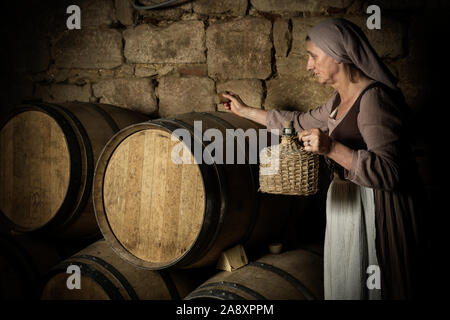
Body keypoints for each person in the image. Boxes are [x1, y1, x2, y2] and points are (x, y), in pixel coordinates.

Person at [221, 18, 426, 300]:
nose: (308, 65)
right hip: (348, 205)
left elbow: (390, 172)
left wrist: (331, 148)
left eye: (313, 56)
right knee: (350, 283)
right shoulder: (338, 101)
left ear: (338, 55)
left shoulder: (374, 99)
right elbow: (296, 122)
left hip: (377, 210)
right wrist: (245, 111)